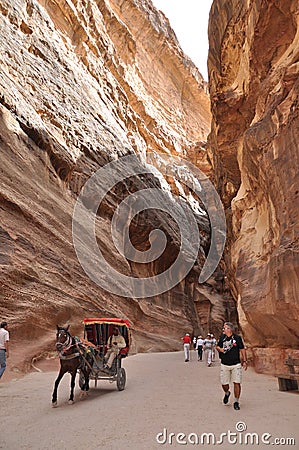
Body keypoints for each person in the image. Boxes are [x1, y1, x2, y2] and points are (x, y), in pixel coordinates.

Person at [216, 322, 248, 410]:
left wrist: (245, 360)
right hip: (225, 364)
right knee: (224, 383)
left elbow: (242, 349)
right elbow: (217, 346)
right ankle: (227, 393)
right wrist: (220, 349)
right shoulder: (222, 337)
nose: (223, 329)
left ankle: (236, 401)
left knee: (237, 383)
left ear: (229, 329)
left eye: (225, 328)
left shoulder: (237, 338)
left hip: (236, 364)